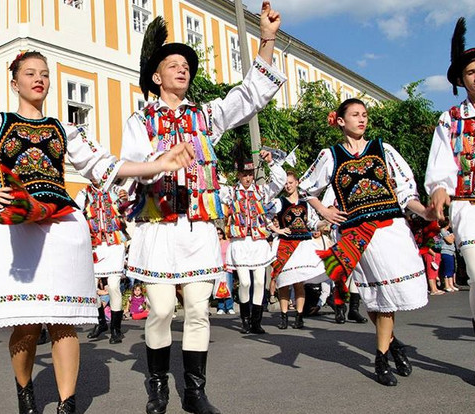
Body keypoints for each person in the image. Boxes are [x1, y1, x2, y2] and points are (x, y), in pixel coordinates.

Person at [0, 50, 194, 414]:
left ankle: (67, 404)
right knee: (27, 325)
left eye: (45, 74)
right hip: (13, 228)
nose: (39, 79)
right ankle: (26, 394)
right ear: (14, 82)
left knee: (64, 321)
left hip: (61, 226)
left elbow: (106, 164)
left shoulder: (64, 129)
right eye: (31, 73)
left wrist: (158, 163)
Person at [120, 3, 285, 413]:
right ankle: (157, 385)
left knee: (197, 310)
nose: (182, 70)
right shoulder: (139, 120)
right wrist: (162, 161)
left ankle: (194, 391)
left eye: (186, 66)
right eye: (173, 65)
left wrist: (266, 41)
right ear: (156, 76)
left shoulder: (205, 116)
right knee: (159, 310)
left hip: (197, 224)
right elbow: (132, 167)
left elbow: (248, 96)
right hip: (157, 219)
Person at [300, 98, 431, 386]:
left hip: (388, 230)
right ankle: (392, 345)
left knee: (386, 298)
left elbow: (406, 189)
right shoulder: (330, 155)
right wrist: (323, 210)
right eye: (355, 115)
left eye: (365, 115)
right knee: (373, 296)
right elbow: (305, 186)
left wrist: (426, 213)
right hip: (355, 234)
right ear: (341, 121)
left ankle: (381, 359)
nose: (362, 119)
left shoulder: (383, 149)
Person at [425, 17, 475, 388]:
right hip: (470, 206)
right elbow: (441, 165)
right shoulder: (449, 119)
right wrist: (440, 188)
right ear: (460, 80)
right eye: (471, 72)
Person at [221, 149, 286, 334]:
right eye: (244, 175)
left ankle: (256, 322)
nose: (248, 178)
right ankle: (245, 319)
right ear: (238, 175)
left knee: (259, 282)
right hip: (240, 242)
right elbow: (214, 189)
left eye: (250, 174)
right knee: (245, 282)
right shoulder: (231, 193)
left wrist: (271, 162)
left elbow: (280, 181)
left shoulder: (262, 192)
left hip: (258, 242)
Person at [269, 171, 326, 330]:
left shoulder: (306, 203)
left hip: (302, 244)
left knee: (298, 282)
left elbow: (314, 223)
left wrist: (328, 218)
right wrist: (277, 230)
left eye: (290, 183)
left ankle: (299, 316)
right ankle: (284, 316)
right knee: (283, 281)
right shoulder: (279, 202)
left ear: (297, 183)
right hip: (285, 243)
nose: (287, 186)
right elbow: (263, 214)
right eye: (285, 183)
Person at [75, 184, 131, 344]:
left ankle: (115, 329)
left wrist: (123, 200)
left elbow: (123, 205)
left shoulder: (115, 188)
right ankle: (101, 322)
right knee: (90, 288)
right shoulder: (84, 192)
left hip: (114, 243)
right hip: (95, 245)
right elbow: (75, 210)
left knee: (113, 286)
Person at [213, 228, 234, 315]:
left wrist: (228, 265)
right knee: (219, 288)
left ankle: (229, 307)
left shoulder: (228, 243)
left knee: (228, 288)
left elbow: (231, 255)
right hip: (218, 269)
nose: (219, 235)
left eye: (220, 233)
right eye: (217, 234)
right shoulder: (214, 244)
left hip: (227, 268)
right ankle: (221, 307)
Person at [439, 219, 458, 292]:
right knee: (447, 269)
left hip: (451, 252)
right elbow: (450, 241)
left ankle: (451, 285)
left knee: (451, 269)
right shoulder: (443, 231)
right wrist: (452, 236)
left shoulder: (447, 232)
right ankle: (446, 286)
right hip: (446, 252)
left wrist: (451, 236)